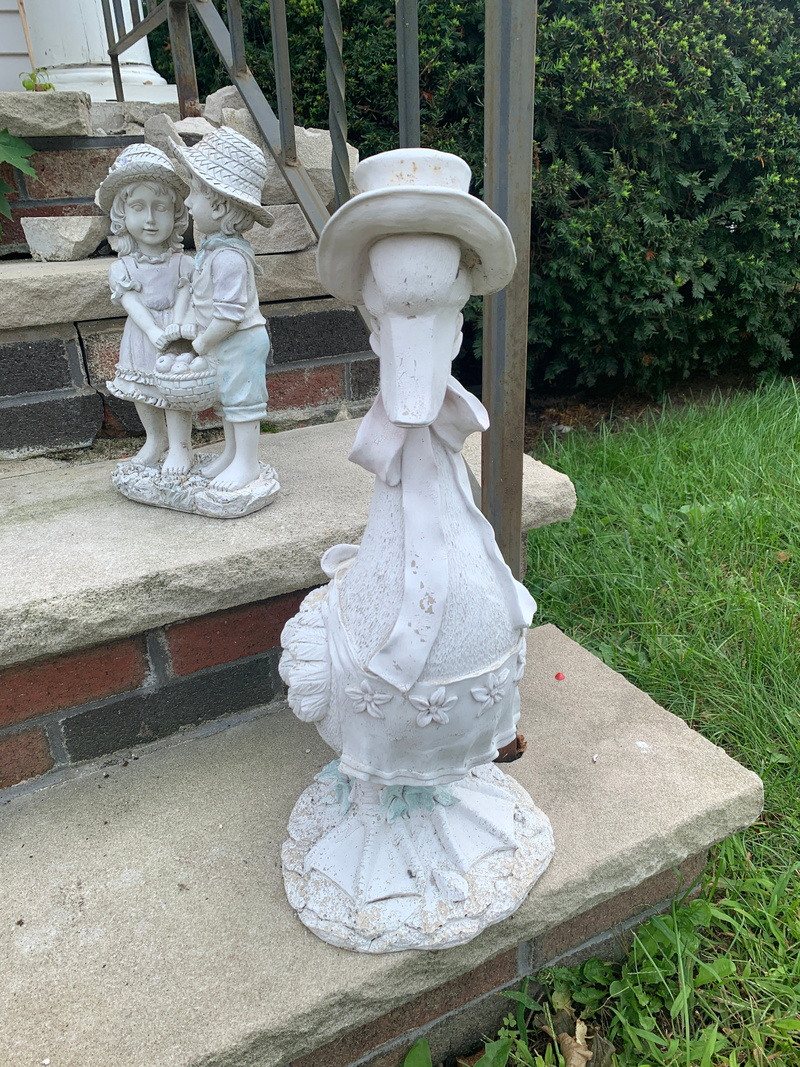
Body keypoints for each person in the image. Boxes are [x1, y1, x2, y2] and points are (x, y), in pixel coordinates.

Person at [173, 127, 274, 491]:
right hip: (224, 341)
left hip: (240, 341)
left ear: (219, 205)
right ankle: (231, 455)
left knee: (242, 403)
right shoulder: (213, 250)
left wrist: (200, 344)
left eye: (194, 192)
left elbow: (230, 316)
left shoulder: (229, 257)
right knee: (228, 402)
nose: (187, 202)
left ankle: (247, 463)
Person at [96, 144, 195, 473]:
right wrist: (153, 331)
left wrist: (176, 328)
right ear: (122, 215)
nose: (150, 219)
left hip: (175, 336)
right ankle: (156, 440)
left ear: (176, 214)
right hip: (142, 335)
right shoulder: (122, 268)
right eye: (138, 207)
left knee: (177, 391)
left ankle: (181, 447)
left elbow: (186, 294)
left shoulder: (183, 263)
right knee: (143, 391)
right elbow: (132, 303)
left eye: (160, 208)